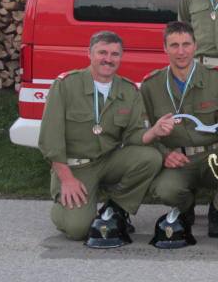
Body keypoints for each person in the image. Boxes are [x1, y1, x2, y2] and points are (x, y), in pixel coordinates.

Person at [38, 31, 170, 241]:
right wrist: (67, 179)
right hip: (75, 168)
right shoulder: (65, 85)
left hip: (108, 161)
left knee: (150, 157)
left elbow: (133, 135)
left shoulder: (128, 90)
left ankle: (115, 209)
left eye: (115, 54)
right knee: (78, 229)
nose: (108, 59)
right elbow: (50, 138)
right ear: (89, 53)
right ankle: (61, 207)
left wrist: (154, 131)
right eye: (102, 52)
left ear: (121, 57)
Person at [140, 21, 218, 237]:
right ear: (165, 48)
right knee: (166, 191)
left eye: (186, 44)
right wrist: (165, 154)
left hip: (212, 157)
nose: (181, 52)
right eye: (174, 45)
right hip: (179, 161)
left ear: (195, 46)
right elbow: (145, 131)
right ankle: (185, 207)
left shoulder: (216, 78)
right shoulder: (151, 85)